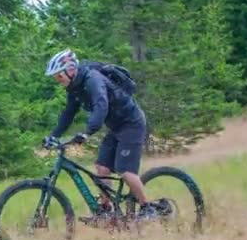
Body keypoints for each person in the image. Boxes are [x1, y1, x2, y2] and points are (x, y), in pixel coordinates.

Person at [42, 49, 164, 222]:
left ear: (70, 70)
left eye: (58, 76)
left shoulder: (92, 80)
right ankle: (107, 211)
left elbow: (101, 106)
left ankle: (147, 207)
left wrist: (86, 132)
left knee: (125, 170)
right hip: (115, 127)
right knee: (101, 167)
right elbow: (68, 114)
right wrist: (53, 136)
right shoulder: (73, 88)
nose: (57, 80)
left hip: (132, 123)